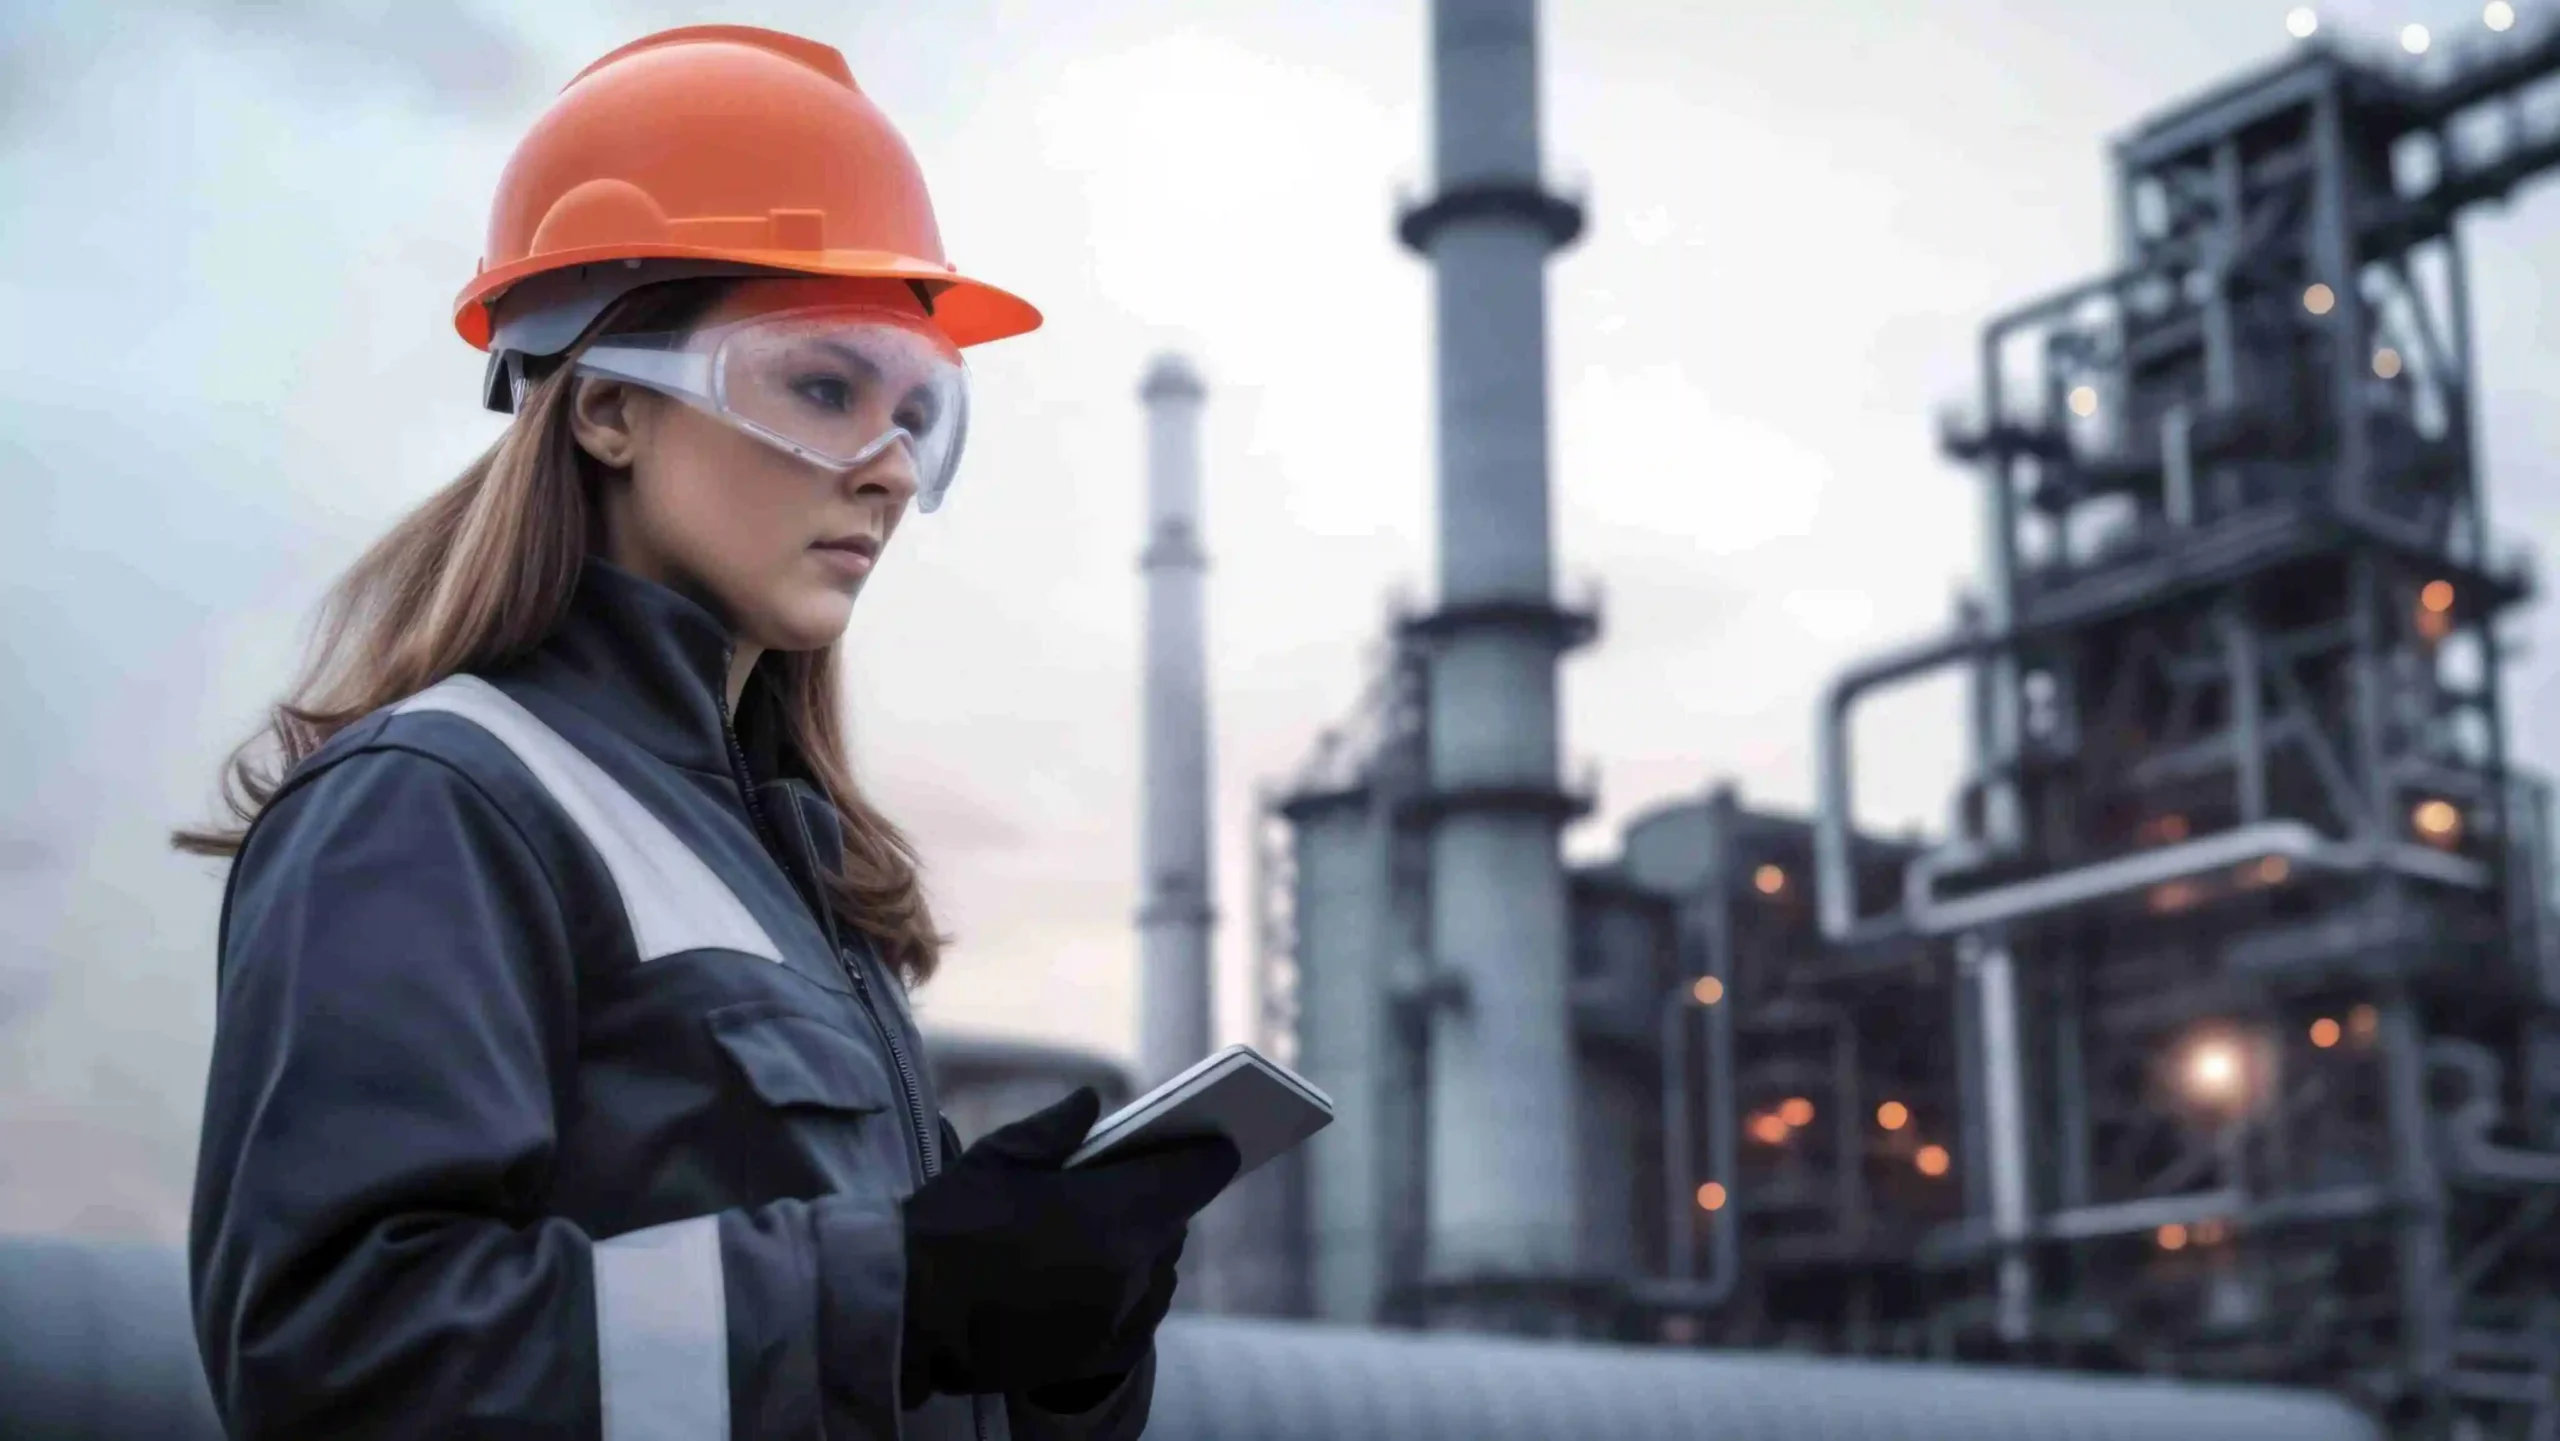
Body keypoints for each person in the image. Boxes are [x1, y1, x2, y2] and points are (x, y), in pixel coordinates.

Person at [176, 25, 1238, 1441]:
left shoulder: (798, 879)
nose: (888, 471)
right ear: (612, 410)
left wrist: (1057, 1354)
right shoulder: (434, 806)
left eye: (920, 413)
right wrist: (901, 1298)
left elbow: (860, 1382)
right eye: (823, 387)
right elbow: (343, 1366)